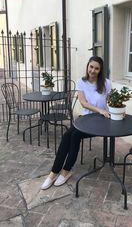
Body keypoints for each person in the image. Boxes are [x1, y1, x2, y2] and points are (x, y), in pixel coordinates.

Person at [41, 56, 111, 190]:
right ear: (87, 66)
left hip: (101, 121)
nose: (93, 70)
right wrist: (99, 110)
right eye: (91, 67)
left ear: (100, 70)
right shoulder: (81, 82)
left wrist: (118, 110)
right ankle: (54, 173)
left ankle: (65, 171)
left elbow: (111, 101)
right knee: (68, 135)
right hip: (85, 119)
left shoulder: (106, 83)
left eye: (96, 68)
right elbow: (83, 102)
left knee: (74, 136)